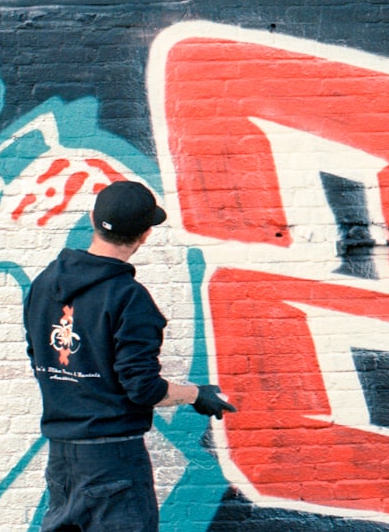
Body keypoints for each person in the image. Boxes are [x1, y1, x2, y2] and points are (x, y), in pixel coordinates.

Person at [23, 180, 235, 532]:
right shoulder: (129, 298)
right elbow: (144, 389)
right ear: (145, 235)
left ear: (92, 218)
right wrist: (196, 395)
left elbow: (37, 353)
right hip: (114, 461)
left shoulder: (45, 283)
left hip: (62, 456)